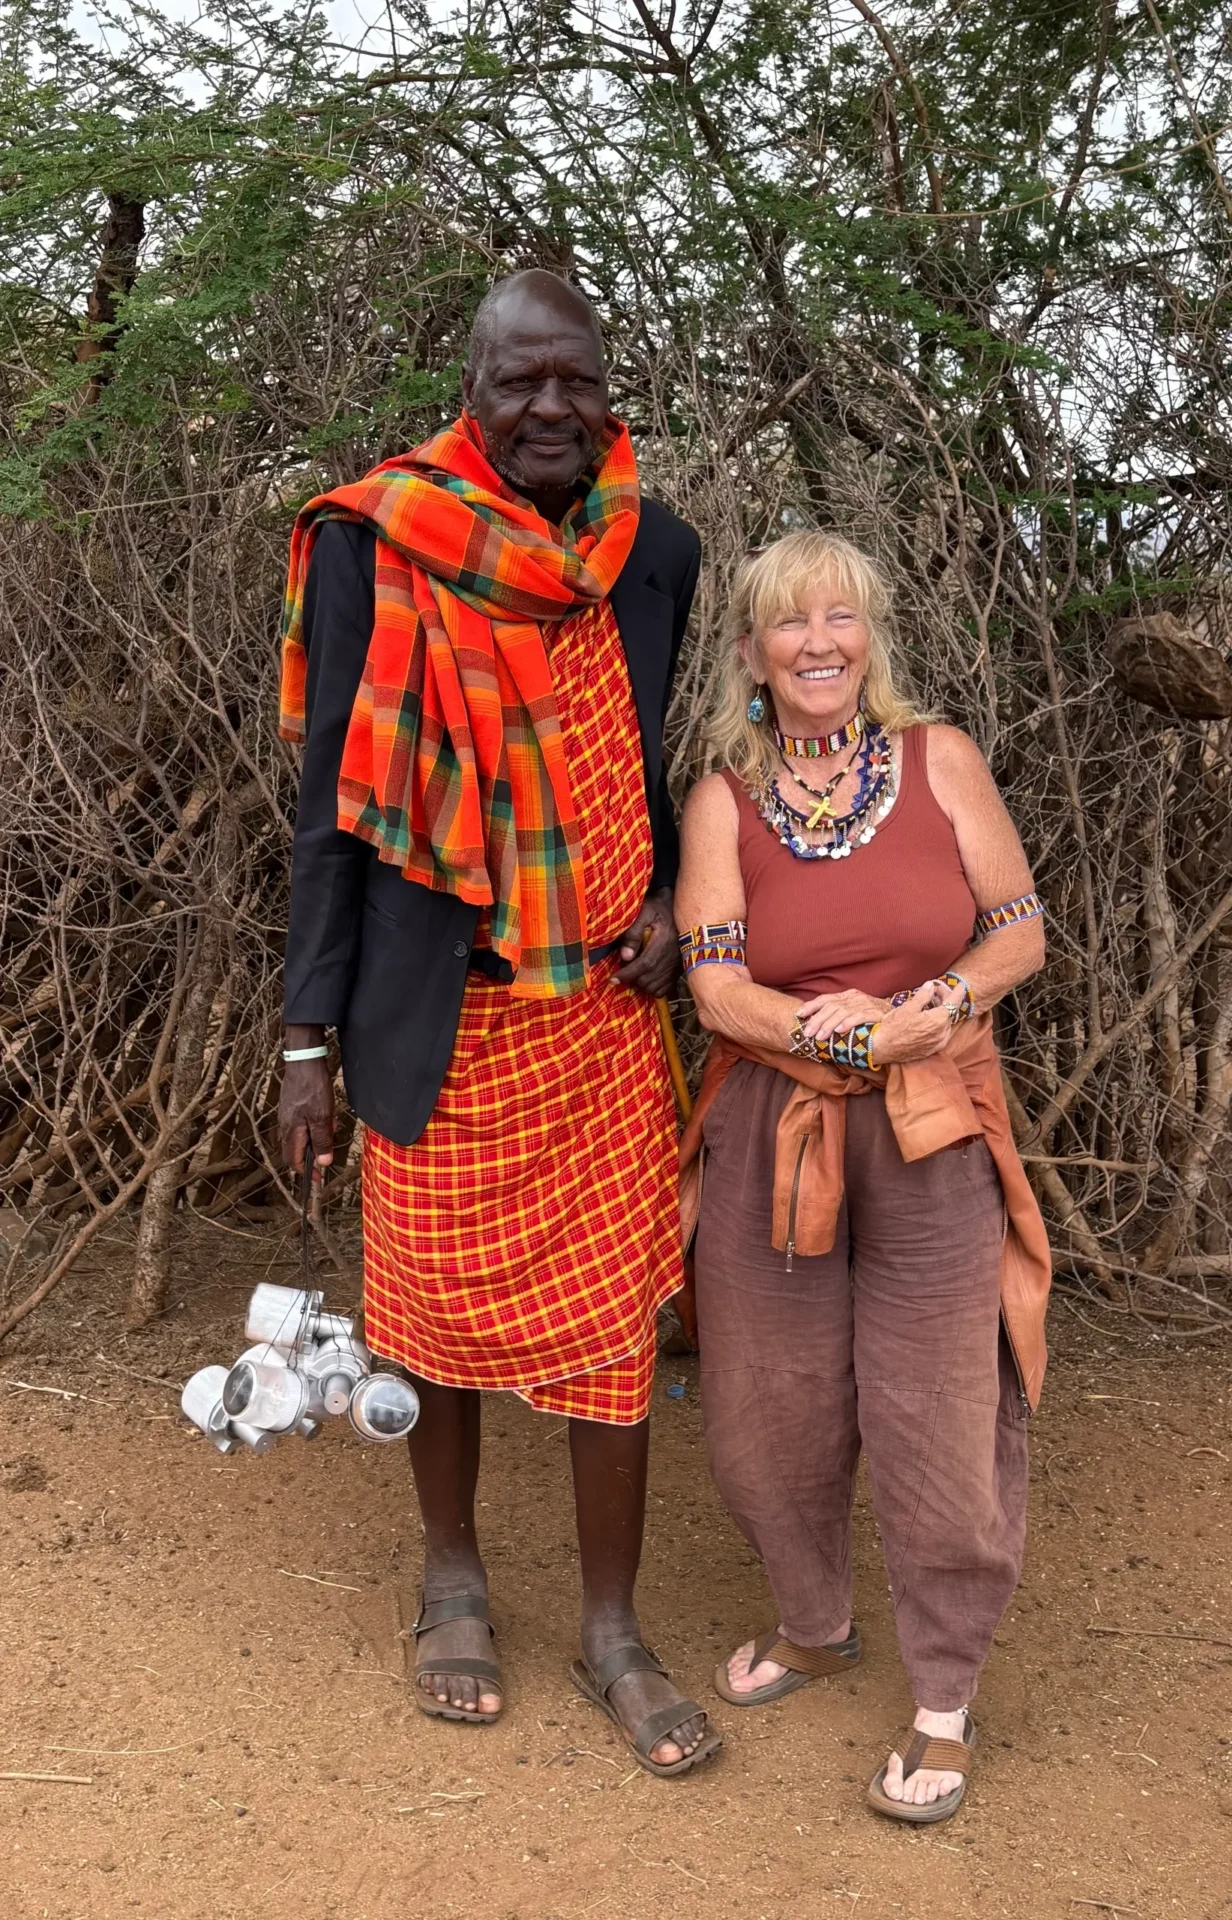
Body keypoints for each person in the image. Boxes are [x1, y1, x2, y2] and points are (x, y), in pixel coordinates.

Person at [276, 270, 720, 1777]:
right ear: (470, 387)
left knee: (611, 1329)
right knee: (433, 1322)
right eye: (516, 382)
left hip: (600, 1012)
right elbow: (332, 805)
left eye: (570, 381)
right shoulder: (377, 541)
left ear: (609, 384)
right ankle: (452, 1575)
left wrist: (668, 898)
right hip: (441, 1015)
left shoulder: (656, 549)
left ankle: (611, 1629)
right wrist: (302, 1040)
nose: (547, 409)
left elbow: (643, 760)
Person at [674, 529, 1050, 1822]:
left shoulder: (941, 761)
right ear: (752, 655)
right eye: (791, 623)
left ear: (869, 640)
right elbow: (716, 978)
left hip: (933, 1125)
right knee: (766, 1408)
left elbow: (1017, 927)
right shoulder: (724, 797)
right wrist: (822, 1030)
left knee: (941, 1404)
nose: (819, 642)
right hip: (776, 1132)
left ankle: (942, 1696)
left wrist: (928, 1008)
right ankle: (815, 1621)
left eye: (840, 618)